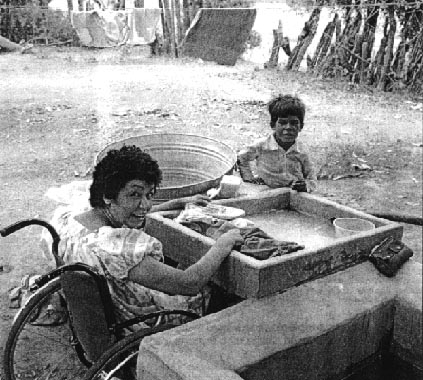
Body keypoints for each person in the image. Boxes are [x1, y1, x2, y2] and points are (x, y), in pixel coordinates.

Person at [41, 145, 243, 325]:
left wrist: (173, 204)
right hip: (138, 318)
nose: (146, 204)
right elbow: (189, 283)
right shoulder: (118, 249)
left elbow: (132, 212)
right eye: (134, 194)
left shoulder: (71, 215)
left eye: (149, 194)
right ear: (108, 196)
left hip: (100, 305)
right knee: (215, 285)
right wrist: (223, 244)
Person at [237, 94, 317, 192]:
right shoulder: (262, 146)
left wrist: (305, 186)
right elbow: (241, 158)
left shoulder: (302, 152)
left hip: (292, 192)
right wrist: (249, 178)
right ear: (273, 125)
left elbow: (312, 178)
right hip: (266, 190)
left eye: (294, 123)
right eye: (283, 123)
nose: (288, 127)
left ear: (301, 127)